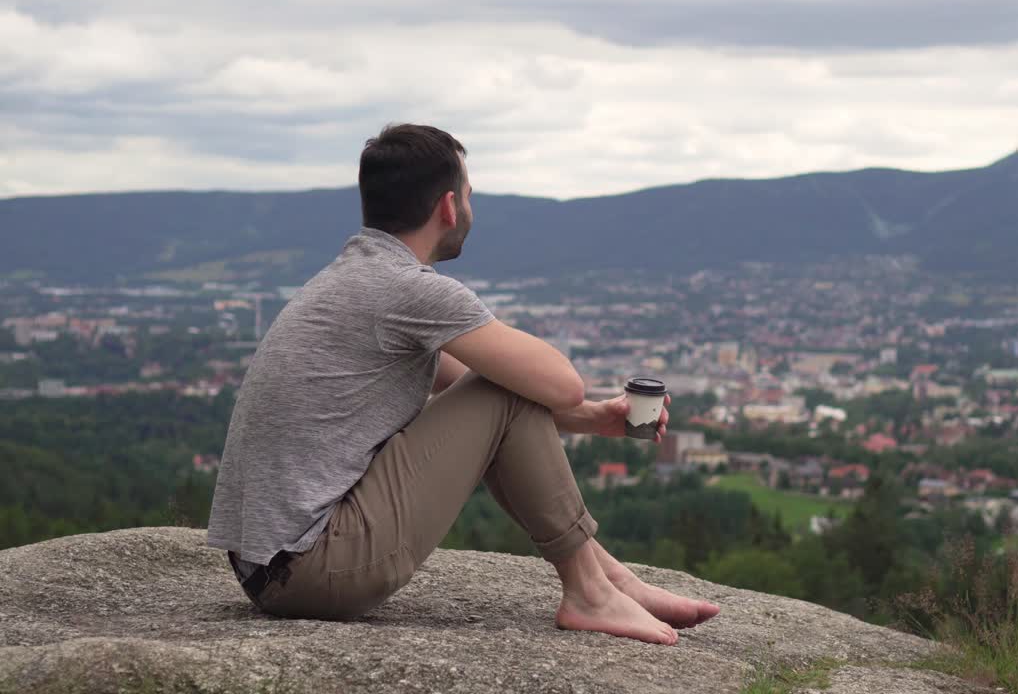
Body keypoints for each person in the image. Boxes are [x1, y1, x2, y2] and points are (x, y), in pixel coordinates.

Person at [206, 124, 718, 645]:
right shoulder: (409, 289)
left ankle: (612, 580)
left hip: (271, 568)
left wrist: (590, 418)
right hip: (312, 569)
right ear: (449, 207)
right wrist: (577, 404)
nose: (471, 210)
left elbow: (467, 392)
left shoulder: (354, 275)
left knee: (502, 386)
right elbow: (556, 385)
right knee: (505, 386)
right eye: (470, 195)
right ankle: (590, 591)